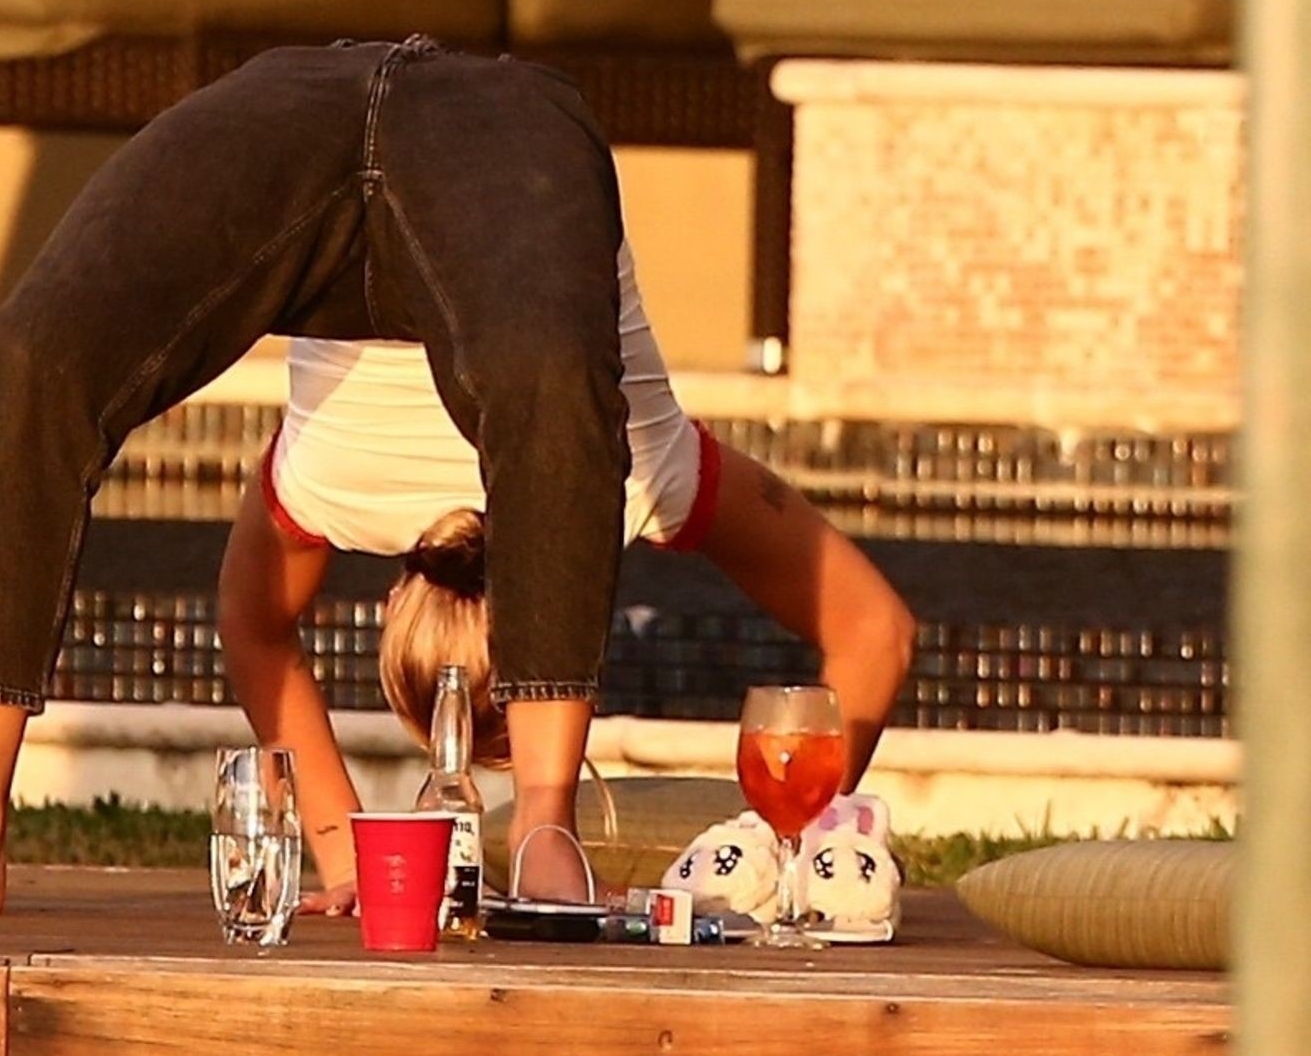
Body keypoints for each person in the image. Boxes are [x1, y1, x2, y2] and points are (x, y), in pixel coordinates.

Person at [0, 35, 654, 913]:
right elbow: (256, 624)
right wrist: (349, 858)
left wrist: (353, 857)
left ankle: (542, 823)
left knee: (550, 375)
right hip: (330, 99)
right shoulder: (654, 480)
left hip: (485, 119)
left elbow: (254, 624)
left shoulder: (327, 493)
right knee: (31, 364)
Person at [218, 243, 915, 915]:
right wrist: (346, 854)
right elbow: (252, 630)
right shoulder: (324, 484)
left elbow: (877, 634)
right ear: (396, 599)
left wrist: (775, 848)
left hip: (541, 184)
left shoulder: (639, 476)